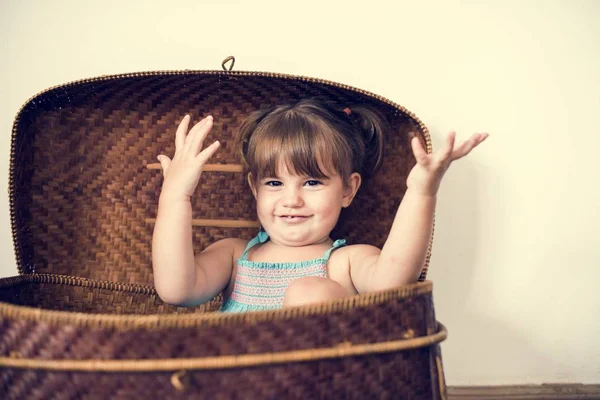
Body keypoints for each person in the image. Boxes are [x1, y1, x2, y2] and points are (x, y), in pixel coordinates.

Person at [152, 99, 488, 312]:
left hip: (319, 386)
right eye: (274, 183)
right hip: (239, 387)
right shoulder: (233, 257)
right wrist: (176, 196)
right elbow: (176, 290)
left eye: (312, 182)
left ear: (348, 190)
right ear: (255, 187)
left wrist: (421, 192)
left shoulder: (346, 263)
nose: (292, 199)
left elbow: (394, 281)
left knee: (310, 293)